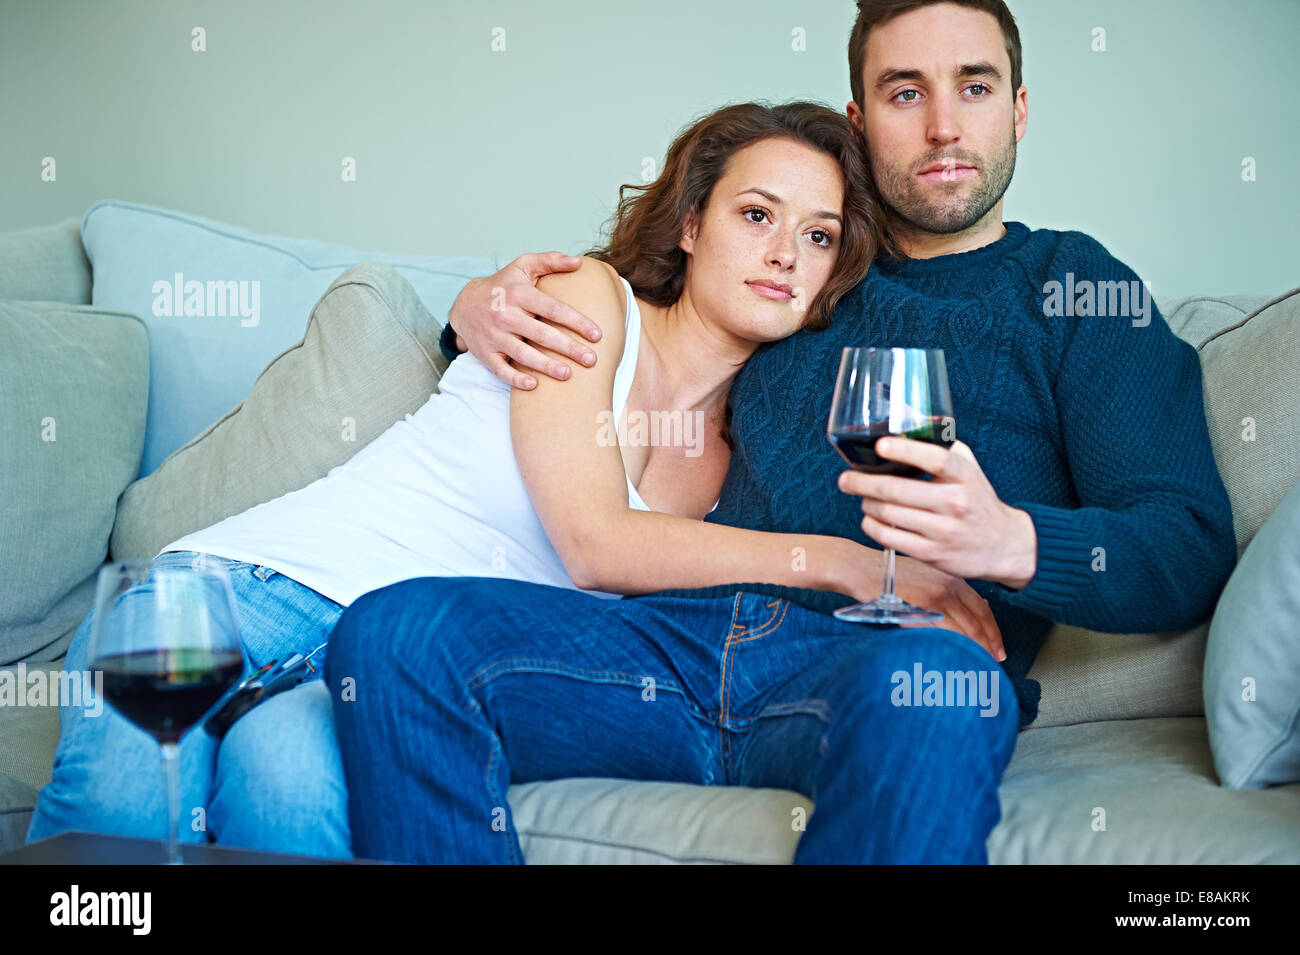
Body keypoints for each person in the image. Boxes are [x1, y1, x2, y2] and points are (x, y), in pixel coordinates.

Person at [326, 0, 1237, 864]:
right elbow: (632, 314)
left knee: (939, 695)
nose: (944, 128)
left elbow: (1187, 541)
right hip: (665, 645)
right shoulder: (802, 268)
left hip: (883, 663)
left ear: (1019, 108)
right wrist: (474, 312)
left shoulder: (1076, 293)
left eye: (975, 86)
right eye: (905, 92)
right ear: (860, 117)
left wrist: (1011, 541)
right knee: (401, 633)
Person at [28, 100, 917, 858]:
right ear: (690, 226)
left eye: (818, 235)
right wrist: (839, 561)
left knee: (291, 791)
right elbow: (594, 542)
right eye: (756, 215)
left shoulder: (742, 468)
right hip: (241, 593)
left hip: (376, 673)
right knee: (122, 836)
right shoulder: (582, 303)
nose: (786, 254)